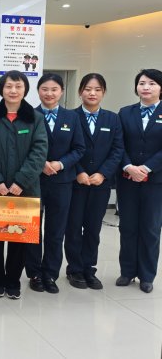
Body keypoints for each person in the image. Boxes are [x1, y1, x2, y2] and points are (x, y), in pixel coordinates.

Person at [0, 70, 48, 299]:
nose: (13, 90)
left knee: (19, 237)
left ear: (25, 90)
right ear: (1, 89)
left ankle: (13, 281)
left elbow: (39, 152)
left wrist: (21, 181)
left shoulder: (36, 119)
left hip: (25, 189)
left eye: (18, 86)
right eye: (9, 86)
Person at [25, 73, 85, 293]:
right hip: (34, 180)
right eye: (44, 89)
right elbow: (23, 147)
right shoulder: (29, 115)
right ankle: (34, 274)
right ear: (38, 91)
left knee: (56, 230)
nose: (49, 93)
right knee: (32, 230)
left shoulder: (72, 117)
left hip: (62, 181)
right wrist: (40, 164)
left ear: (61, 91)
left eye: (54, 89)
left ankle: (50, 274)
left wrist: (60, 164)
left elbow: (79, 148)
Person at [65, 73, 123, 290]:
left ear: (103, 93)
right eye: (88, 89)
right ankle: (74, 269)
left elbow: (117, 150)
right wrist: (78, 171)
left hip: (100, 184)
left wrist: (103, 173)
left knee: (93, 228)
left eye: (97, 89)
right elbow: (66, 148)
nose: (92, 93)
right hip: (75, 182)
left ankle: (89, 268)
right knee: (73, 228)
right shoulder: (70, 117)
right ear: (80, 91)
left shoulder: (112, 119)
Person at [116, 69, 162, 293]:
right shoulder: (125, 113)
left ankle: (146, 275)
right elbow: (118, 144)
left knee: (151, 228)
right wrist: (128, 166)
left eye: (152, 83)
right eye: (142, 83)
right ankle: (127, 271)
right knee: (128, 226)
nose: (146, 87)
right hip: (127, 180)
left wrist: (146, 168)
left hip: (156, 181)